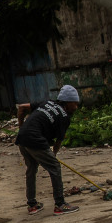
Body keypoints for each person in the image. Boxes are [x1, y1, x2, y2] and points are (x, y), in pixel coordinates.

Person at [14, 84, 81, 215]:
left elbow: (21, 108)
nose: (76, 107)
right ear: (67, 103)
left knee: (31, 168)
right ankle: (60, 204)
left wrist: (21, 128)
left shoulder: (46, 103)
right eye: (75, 104)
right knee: (55, 167)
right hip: (35, 139)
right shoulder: (64, 117)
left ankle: (32, 205)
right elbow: (58, 142)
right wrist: (53, 155)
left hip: (22, 138)